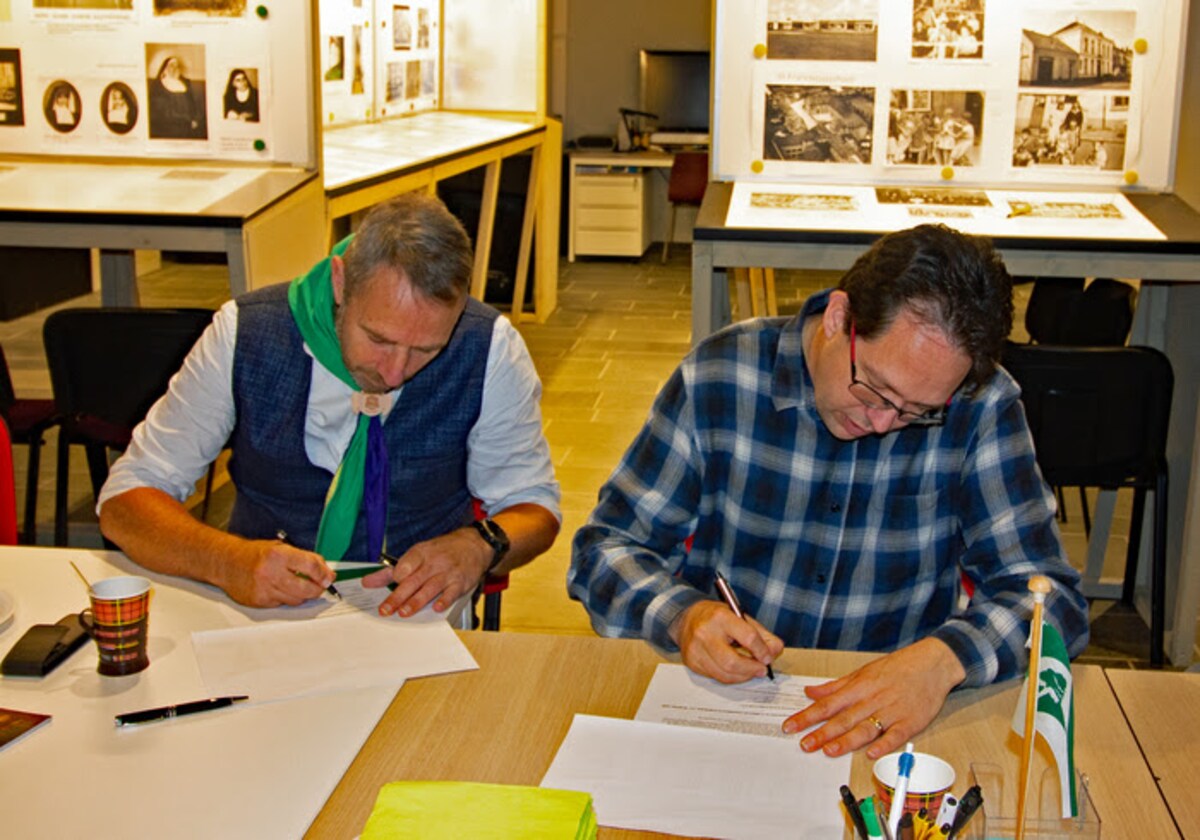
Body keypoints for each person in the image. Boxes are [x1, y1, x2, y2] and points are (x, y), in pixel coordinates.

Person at [568, 224, 1089, 760]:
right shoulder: (721, 374)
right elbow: (603, 551)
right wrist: (684, 617)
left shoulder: (981, 405)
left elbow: (1053, 600)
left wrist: (943, 661)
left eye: (919, 412)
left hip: (889, 720)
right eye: (876, 389)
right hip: (728, 703)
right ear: (839, 318)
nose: (884, 423)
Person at [98, 193, 561, 620]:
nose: (395, 373)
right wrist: (227, 561)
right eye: (378, 338)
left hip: (416, 624)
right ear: (341, 282)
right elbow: (126, 499)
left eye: (427, 350)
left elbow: (534, 508)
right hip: (259, 619)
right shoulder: (246, 333)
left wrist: (480, 545)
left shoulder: (490, 347)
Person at [148, 54, 206, 139]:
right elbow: (158, 109)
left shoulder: (185, 84)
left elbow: (191, 104)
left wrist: (194, 119)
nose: (175, 68)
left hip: (186, 124)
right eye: (171, 65)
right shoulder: (158, 85)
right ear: (165, 68)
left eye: (177, 66)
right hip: (168, 125)